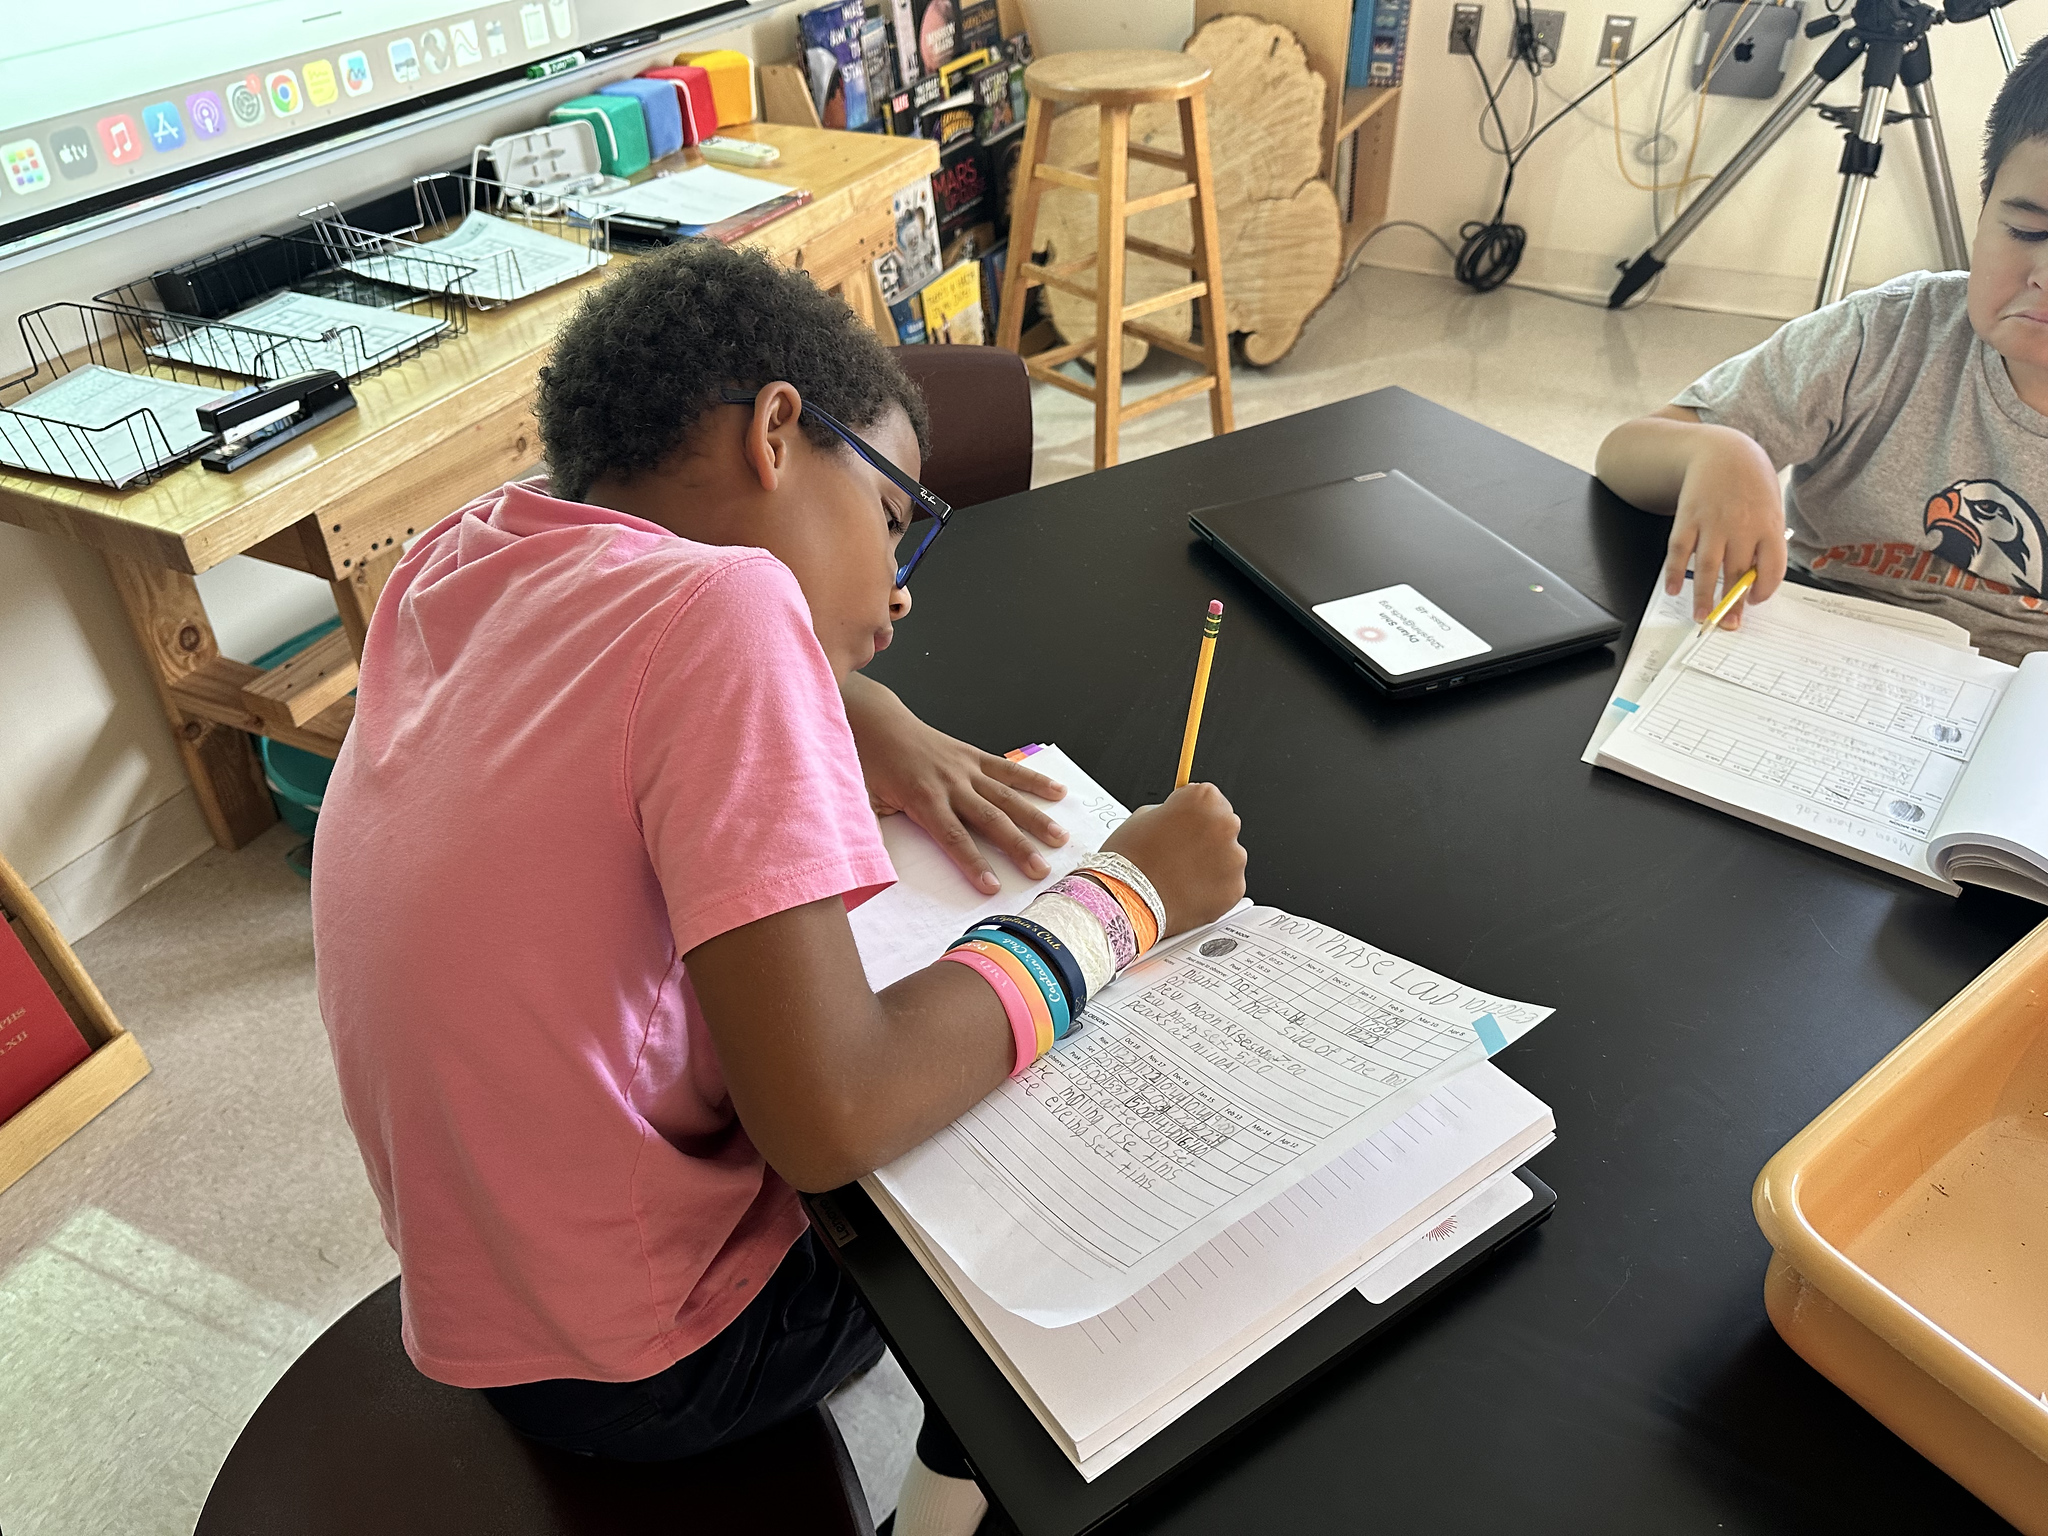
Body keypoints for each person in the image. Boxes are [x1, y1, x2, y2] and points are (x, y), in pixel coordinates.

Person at [309, 239, 1247, 1536]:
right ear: (776, 433)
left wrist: (857, 708)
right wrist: (1127, 894)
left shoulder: (461, 558)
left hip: (486, 1293)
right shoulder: (728, 609)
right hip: (658, 1357)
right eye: (893, 520)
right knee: (1029, 1234)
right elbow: (832, 1115)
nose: (904, 593)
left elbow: (620, 677)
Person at [1595, 35, 2048, 663]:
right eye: (2028, 228)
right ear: (1984, 202)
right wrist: (1718, 448)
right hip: (1813, 659)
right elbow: (1623, 454)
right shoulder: (1885, 337)